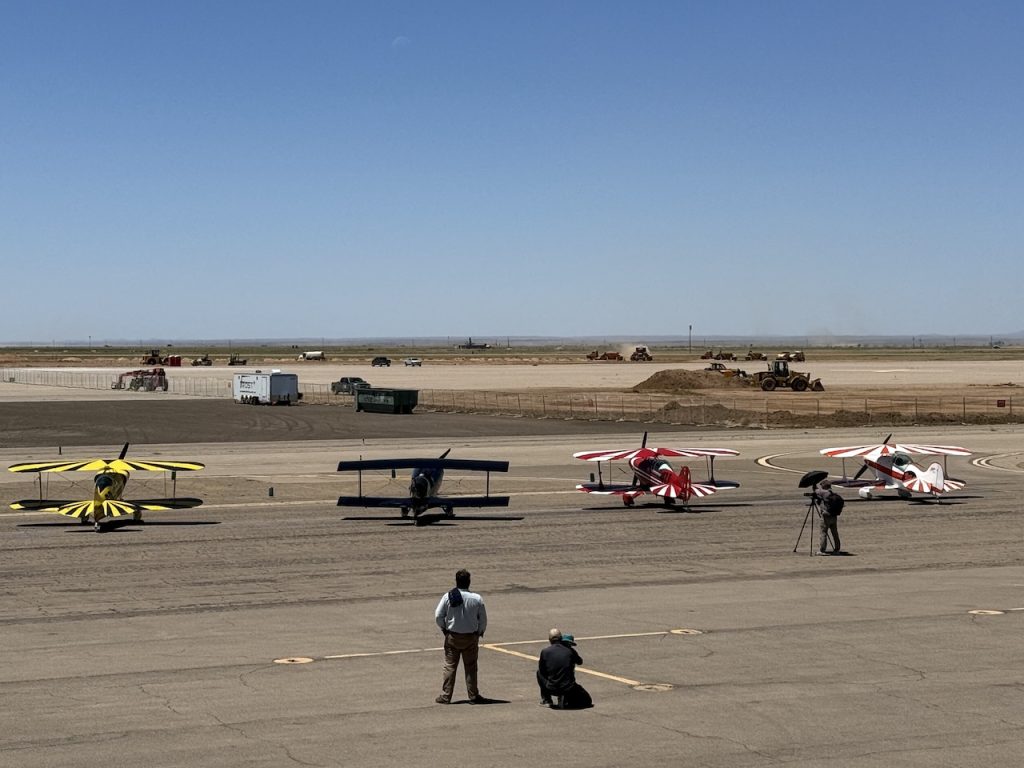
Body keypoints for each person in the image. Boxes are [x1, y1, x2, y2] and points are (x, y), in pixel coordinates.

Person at [434, 568, 487, 704]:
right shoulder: (477, 598)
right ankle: (473, 695)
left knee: (450, 666)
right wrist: (479, 632)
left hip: (452, 637)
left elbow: (438, 615)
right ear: (469, 582)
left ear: (456, 582)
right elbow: (483, 619)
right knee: (471, 667)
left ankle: (446, 696)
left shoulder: (448, 596)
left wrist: (444, 629)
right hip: (470, 637)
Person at [537, 628, 592, 709]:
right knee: (587, 701)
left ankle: (547, 700)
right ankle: (566, 699)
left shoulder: (545, 652)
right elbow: (580, 662)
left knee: (539, 673)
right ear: (561, 638)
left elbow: (542, 669)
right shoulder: (570, 651)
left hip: (552, 687)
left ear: (549, 640)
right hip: (568, 687)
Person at [814, 480, 842, 555]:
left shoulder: (824, 493)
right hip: (834, 516)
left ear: (824, 486)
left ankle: (822, 550)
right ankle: (837, 549)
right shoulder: (833, 493)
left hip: (826, 516)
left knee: (823, 533)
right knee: (835, 533)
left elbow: (816, 491)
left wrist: (813, 484)